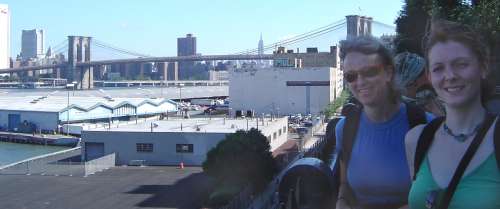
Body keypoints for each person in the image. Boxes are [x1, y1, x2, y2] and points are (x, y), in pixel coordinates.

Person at [405, 19, 500, 209]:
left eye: (461, 64)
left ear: (483, 67)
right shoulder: (416, 140)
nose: (450, 76)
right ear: (430, 77)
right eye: (439, 68)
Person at [335, 36, 431, 209]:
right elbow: (344, 186)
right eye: (351, 76)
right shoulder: (345, 129)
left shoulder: (425, 126)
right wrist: (341, 202)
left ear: (388, 72)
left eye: (369, 72)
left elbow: (438, 193)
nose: (360, 82)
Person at [394, 52, 445, 116]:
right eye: (426, 73)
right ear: (413, 82)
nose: (431, 76)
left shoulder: (432, 97)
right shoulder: (406, 113)